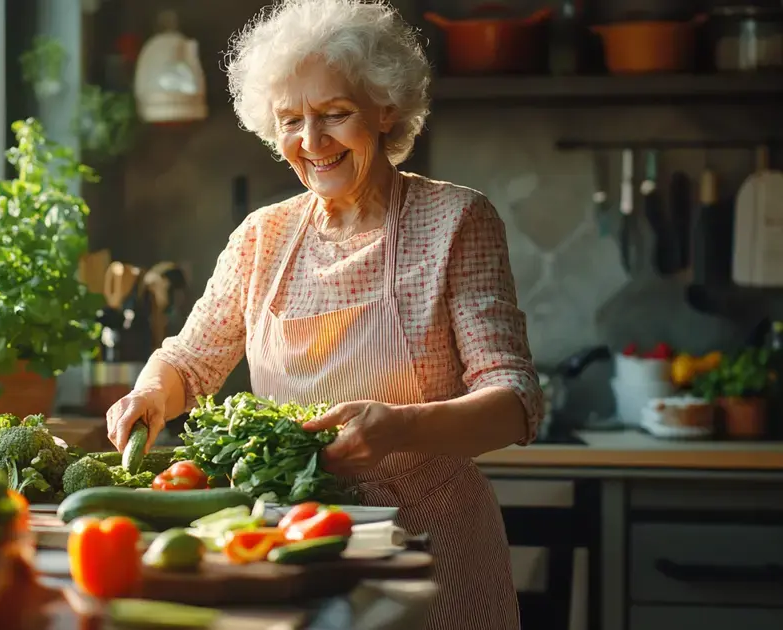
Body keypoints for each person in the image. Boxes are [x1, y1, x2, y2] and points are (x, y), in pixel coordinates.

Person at [105, 1, 542, 627]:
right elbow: (189, 361)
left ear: (385, 109)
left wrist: (396, 428)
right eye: (291, 121)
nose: (311, 143)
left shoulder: (456, 222)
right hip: (294, 548)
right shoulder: (263, 237)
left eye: (335, 115)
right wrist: (150, 392)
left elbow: (515, 401)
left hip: (429, 552)